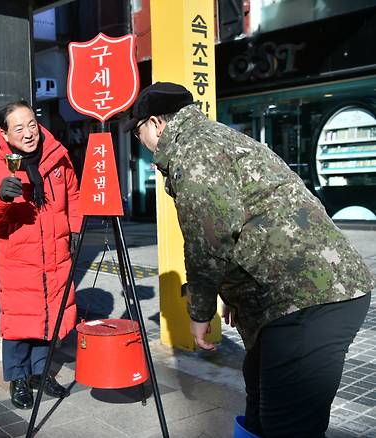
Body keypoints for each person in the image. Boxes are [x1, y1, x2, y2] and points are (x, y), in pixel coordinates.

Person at [126, 82, 374, 438]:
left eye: (139, 133)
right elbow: (244, 222)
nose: (143, 143)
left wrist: (200, 312)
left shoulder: (193, 151)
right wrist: (231, 292)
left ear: (155, 123)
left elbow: (208, 239)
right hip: (299, 296)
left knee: (286, 425)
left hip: (307, 300)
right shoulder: (215, 138)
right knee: (259, 400)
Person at [0, 101, 82, 409]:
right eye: (19, 128)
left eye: (32, 124)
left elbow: (73, 196)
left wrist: (75, 231)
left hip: (55, 251)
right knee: (20, 319)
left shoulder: (57, 156)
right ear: (4, 133)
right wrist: (0, 197)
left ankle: (41, 373)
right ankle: (18, 379)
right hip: (18, 255)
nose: (29, 133)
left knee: (50, 314)